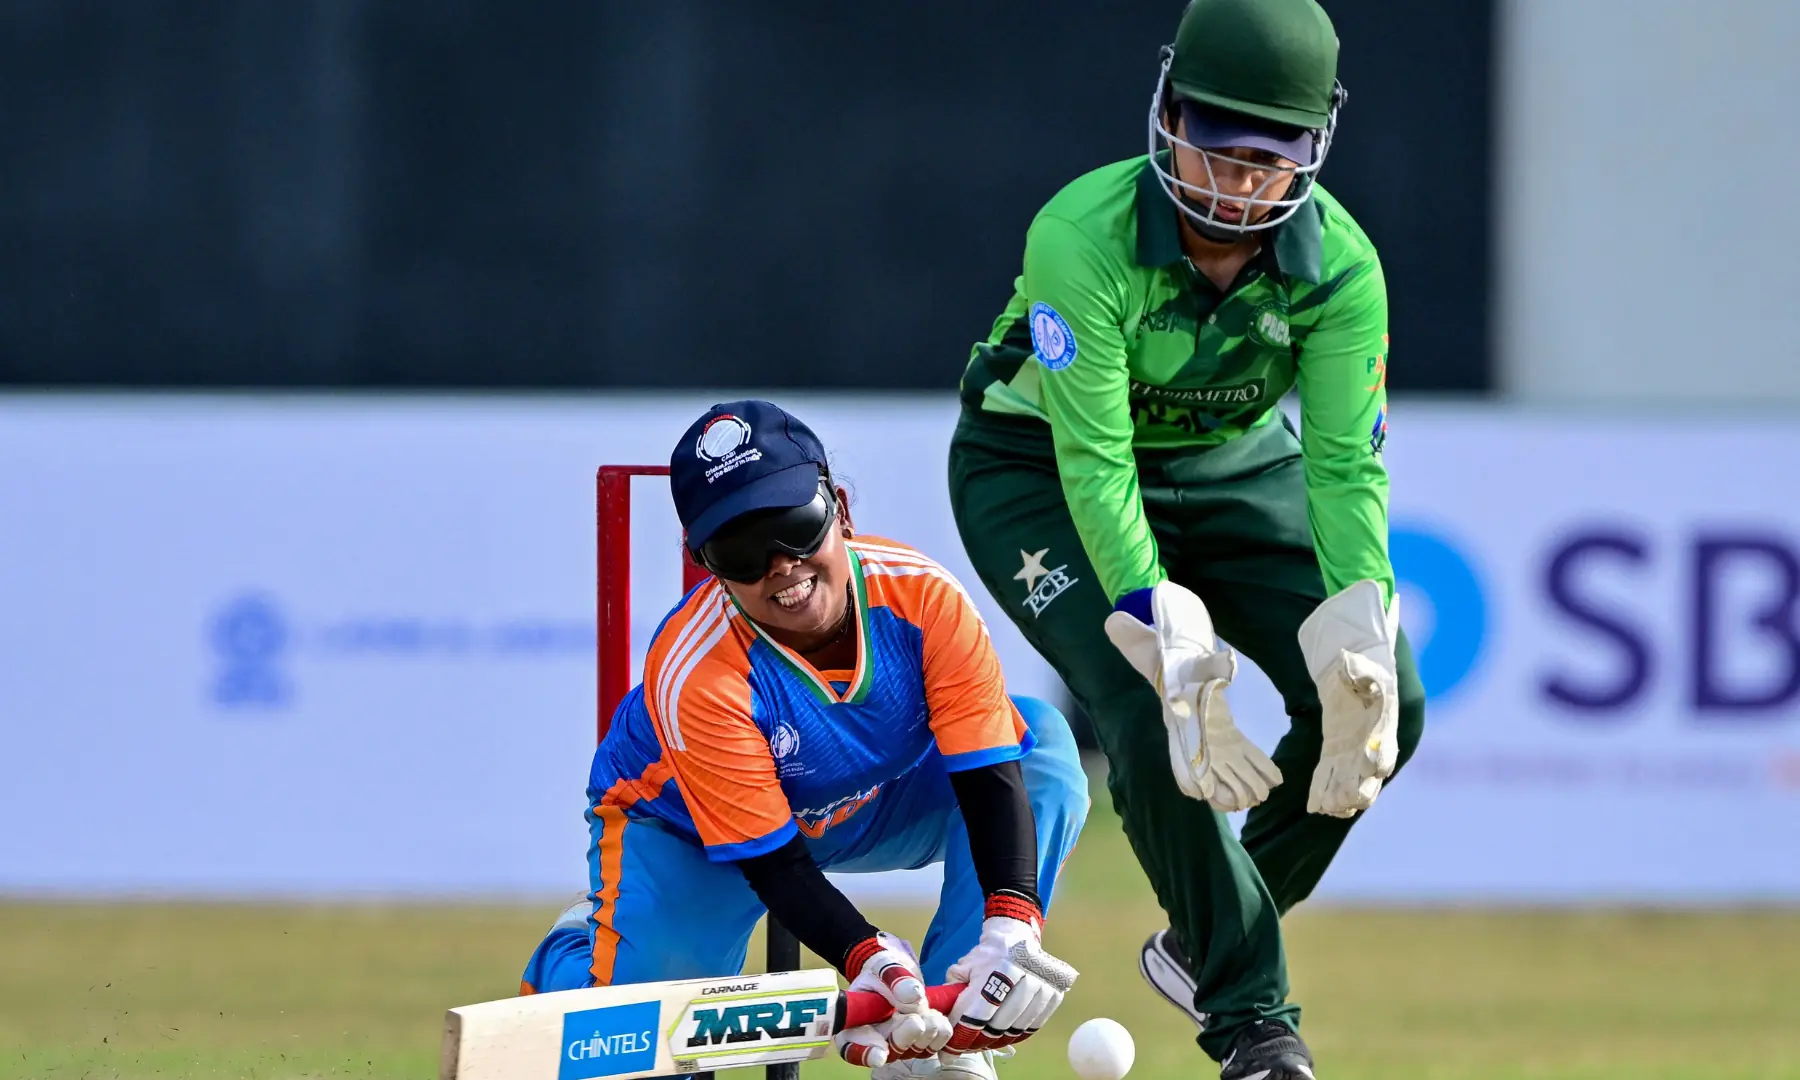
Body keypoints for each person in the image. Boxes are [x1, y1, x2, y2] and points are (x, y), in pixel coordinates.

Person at [946, 0, 1426, 1077]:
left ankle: (1202, 941)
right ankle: (1256, 1026)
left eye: (1270, 156)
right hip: (1036, 471)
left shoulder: (1341, 268)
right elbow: (1096, 458)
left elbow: (1346, 467)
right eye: (1215, 141)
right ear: (1168, 112)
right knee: (1148, 705)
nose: (1235, 181)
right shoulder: (1083, 234)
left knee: (1385, 692)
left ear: (1313, 149)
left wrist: (1360, 612)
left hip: (1233, 464)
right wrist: (1154, 620)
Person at [522, 399, 1087, 1080]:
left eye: (797, 526)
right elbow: (775, 866)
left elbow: (989, 777)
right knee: (633, 1052)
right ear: (707, 563)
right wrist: (868, 957)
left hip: (869, 799)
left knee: (1042, 749)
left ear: (838, 511)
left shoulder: (925, 600)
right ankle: (583, 952)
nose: (781, 567)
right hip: (691, 833)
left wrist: (1012, 922)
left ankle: (936, 1045)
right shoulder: (696, 672)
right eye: (739, 552)